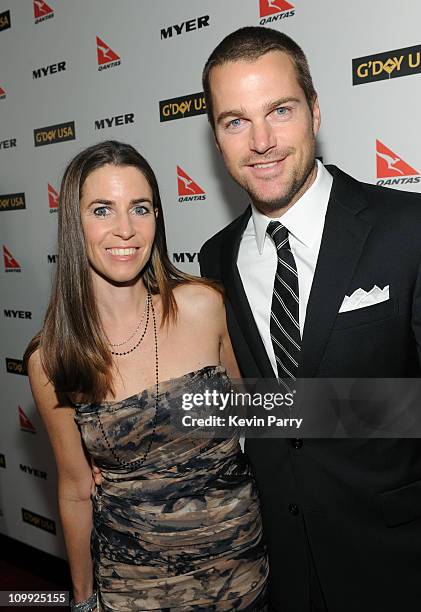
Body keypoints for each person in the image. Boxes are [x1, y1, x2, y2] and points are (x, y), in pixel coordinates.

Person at [199, 26, 421, 612]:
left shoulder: (407, 228)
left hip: (397, 560)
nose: (262, 141)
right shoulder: (214, 258)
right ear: (217, 138)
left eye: (280, 110)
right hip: (282, 569)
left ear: (315, 111)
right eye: (236, 121)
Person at [25, 140, 269, 611]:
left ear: (157, 217)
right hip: (135, 589)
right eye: (102, 209)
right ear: (74, 225)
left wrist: (386, 412)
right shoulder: (52, 359)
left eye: (140, 208)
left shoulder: (205, 306)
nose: (125, 229)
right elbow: (76, 491)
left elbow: (261, 418)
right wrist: (82, 599)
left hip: (242, 575)